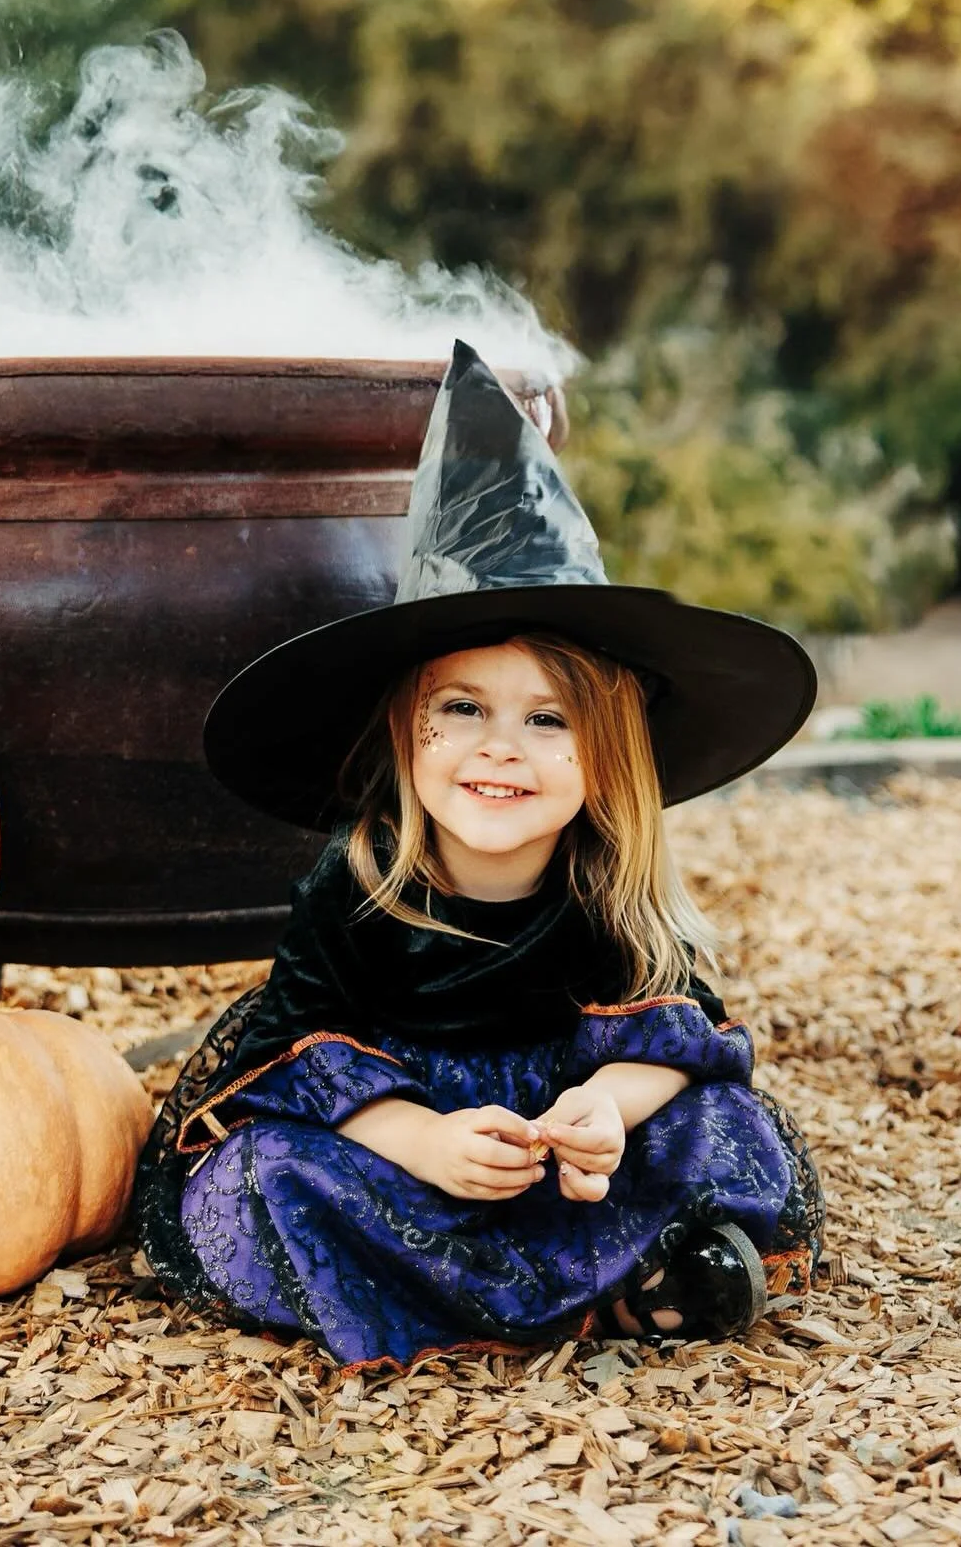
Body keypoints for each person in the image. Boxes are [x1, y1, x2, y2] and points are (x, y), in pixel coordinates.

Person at [134, 342, 824, 1371]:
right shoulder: (359, 882)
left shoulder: (606, 887)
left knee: (718, 1122)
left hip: (555, 1150)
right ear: (408, 733)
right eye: (463, 709)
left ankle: (604, 1278)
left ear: (608, 761)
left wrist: (602, 1113)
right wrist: (419, 1140)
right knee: (261, 1174)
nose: (500, 746)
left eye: (548, 719)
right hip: (407, 1158)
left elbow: (684, 1038)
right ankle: (591, 1291)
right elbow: (294, 1060)